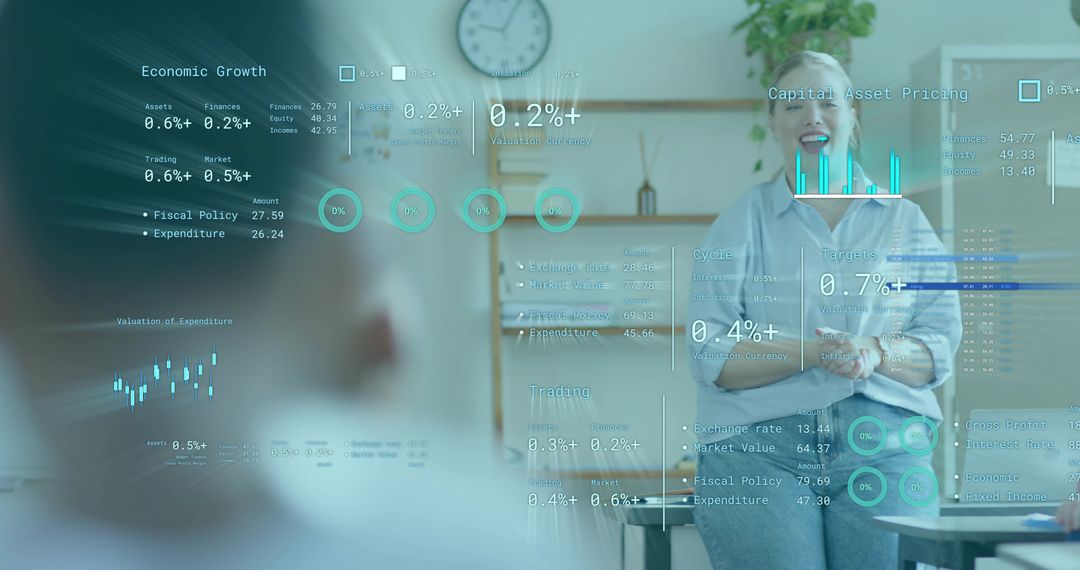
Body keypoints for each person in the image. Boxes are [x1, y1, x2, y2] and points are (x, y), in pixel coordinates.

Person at [687, 51, 962, 569]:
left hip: (884, 445)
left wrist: (875, 351)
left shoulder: (906, 219)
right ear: (774, 124)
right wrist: (815, 353)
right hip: (758, 451)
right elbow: (710, 353)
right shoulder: (741, 222)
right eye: (793, 105)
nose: (811, 115)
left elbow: (938, 349)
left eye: (827, 101)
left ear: (852, 115)